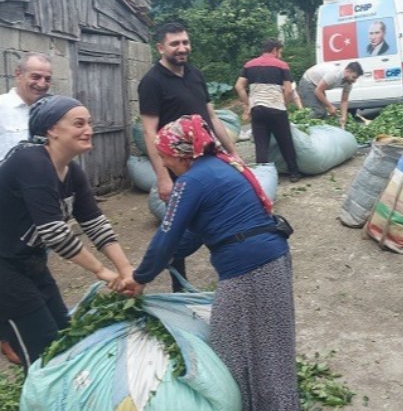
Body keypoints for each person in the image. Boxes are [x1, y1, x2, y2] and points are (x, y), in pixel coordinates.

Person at [122, 115, 300, 411]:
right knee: (269, 346)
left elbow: (166, 234)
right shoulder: (222, 165)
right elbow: (189, 238)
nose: (164, 164)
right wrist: (163, 263)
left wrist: (140, 277)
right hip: (272, 259)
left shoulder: (191, 180)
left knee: (231, 346)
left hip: (250, 270)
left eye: (165, 156)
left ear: (180, 152)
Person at [0, 95, 133, 370]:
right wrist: (103, 272)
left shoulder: (72, 171)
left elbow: (95, 222)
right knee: (43, 352)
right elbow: (54, 233)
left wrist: (126, 269)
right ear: (52, 130)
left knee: (63, 333)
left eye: (90, 123)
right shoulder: (31, 162)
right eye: (79, 123)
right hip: (4, 269)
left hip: (29, 262)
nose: (89, 130)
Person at [138, 22, 238, 291]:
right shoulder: (152, 82)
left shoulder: (195, 74)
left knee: (219, 216)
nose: (182, 48)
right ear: (160, 47)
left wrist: (233, 154)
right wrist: (162, 178)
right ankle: (178, 289)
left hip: (207, 161)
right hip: (176, 166)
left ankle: (229, 273)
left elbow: (212, 117)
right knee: (178, 229)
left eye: (185, 42)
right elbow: (149, 132)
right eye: (175, 44)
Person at [234, 38, 301, 182]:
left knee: (261, 144)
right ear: (275, 50)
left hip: (257, 109)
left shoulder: (249, 65)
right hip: (276, 109)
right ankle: (294, 172)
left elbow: (238, 86)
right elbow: (289, 90)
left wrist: (248, 103)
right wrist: (283, 103)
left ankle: (263, 178)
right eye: (280, 52)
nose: (281, 55)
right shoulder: (282, 65)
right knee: (285, 141)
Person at [0, 53, 52, 159]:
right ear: (19, 75)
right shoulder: (2, 107)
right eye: (36, 77)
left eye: (47, 79)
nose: (42, 84)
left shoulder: (51, 111)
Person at [298, 61, 363, 127]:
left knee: (324, 114)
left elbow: (344, 100)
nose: (354, 81)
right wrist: (330, 106)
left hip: (317, 86)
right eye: (354, 77)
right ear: (347, 71)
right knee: (319, 112)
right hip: (308, 82)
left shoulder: (348, 83)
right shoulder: (335, 74)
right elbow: (318, 91)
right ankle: (301, 126)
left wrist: (343, 117)